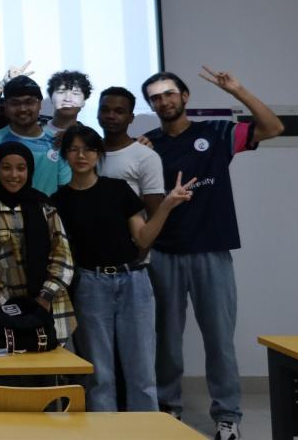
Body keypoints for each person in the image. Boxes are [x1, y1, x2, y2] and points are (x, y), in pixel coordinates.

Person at [142, 68, 284, 440]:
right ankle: (167, 407)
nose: (163, 101)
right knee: (166, 341)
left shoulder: (218, 133)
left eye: (169, 93)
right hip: (164, 253)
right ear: (150, 105)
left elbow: (273, 128)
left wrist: (237, 90)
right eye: (155, 97)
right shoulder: (148, 144)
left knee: (220, 340)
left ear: (184, 96)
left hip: (212, 251)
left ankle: (227, 415)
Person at [52, 124, 195, 412]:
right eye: (74, 149)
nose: (81, 155)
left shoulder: (117, 189)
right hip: (89, 285)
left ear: (98, 154)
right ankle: (104, 430)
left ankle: (144, 429)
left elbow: (142, 237)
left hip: (133, 281)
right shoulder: (58, 201)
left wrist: (167, 205)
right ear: (65, 155)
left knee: (142, 371)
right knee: (100, 374)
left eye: (88, 149)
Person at [0, 142, 77, 344]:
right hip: (2, 310)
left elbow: (62, 255)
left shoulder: (45, 207)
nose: (14, 175)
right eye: (6, 167)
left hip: (49, 307)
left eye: (21, 168)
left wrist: (45, 296)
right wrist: (8, 304)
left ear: (29, 171)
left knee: (55, 363)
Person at [0, 76, 71, 196]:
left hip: (50, 208)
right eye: (15, 103)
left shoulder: (57, 141)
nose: (22, 109)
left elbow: (65, 190)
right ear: (5, 106)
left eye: (29, 102)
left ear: (40, 104)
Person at [97, 87, 165, 216]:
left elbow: (155, 214)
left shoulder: (146, 156)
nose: (110, 116)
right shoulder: (89, 152)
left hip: (131, 229)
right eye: (105, 110)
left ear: (131, 118)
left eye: (119, 111)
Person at [45, 70, 93, 136]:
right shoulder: (34, 127)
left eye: (75, 93)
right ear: (51, 98)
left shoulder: (90, 137)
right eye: (61, 92)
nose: (67, 99)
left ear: (83, 101)